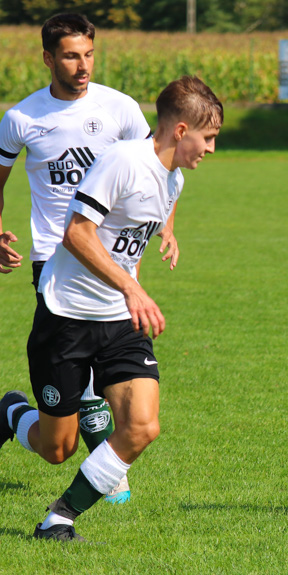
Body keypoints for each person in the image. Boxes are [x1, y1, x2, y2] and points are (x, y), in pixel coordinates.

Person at [0, 75, 222, 542]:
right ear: (181, 131)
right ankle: (11, 413)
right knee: (55, 448)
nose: (212, 149)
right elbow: (77, 232)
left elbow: (158, 206)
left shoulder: (174, 178)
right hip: (66, 317)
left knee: (142, 426)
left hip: (120, 322)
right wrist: (131, 287)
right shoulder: (122, 160)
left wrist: (164, 237)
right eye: (209, 137)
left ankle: (58, 519)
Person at [0, 13, 169, 505]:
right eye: (71, 56)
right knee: (65, 431)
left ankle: (97, 462)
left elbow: (157, 168)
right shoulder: (22, 118)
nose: (82, 66)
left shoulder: (119, 109)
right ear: (49, 58)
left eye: (89, 54)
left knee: (120, 403)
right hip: (53, 259)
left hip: (115, 260)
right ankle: (34, 421)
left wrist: (168, 230)